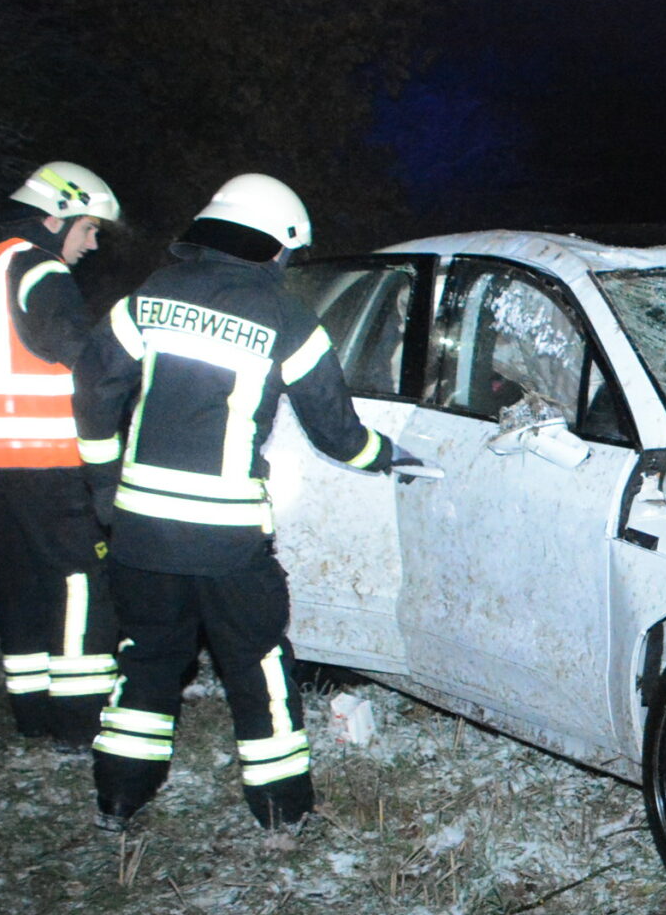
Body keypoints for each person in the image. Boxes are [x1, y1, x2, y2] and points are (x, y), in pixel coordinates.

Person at [78, 174, 430, 831]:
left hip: (142, 534)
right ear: (277, 246)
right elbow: (336, 429)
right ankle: (282, 810)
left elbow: (93, 389)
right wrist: (391, 455)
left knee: (148, 656)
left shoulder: (149, 296)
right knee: (257, 661)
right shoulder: (287, 319)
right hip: (227, 540)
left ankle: (119, 797)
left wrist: (104, 486)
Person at [0, 161, 125, 746]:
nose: (92, 244)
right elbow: (85, 361)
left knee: (19, 586)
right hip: (49, 459)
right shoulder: (40, 268)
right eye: (88, 229)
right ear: (55, 217)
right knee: (80, 584)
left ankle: (33, 717)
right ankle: (79, 724)